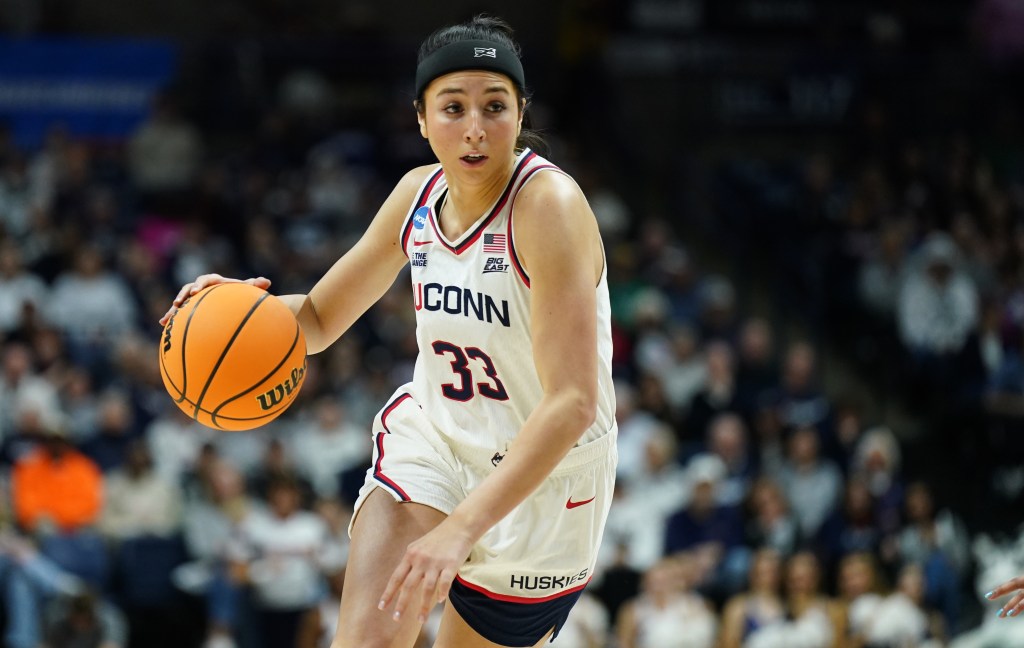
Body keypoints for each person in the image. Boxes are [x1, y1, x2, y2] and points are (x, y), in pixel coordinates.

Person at [160, 14, 616, 648]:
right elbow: (316, 321)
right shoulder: (415, 197)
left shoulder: (549, 207)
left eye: (495, 105)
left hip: (546, 477)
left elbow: (572, 402)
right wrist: (233, 310)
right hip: (435, 443)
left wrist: (460, 530)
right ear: (422, 118)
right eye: (453, 107)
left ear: (521, 112)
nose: (476, 128)